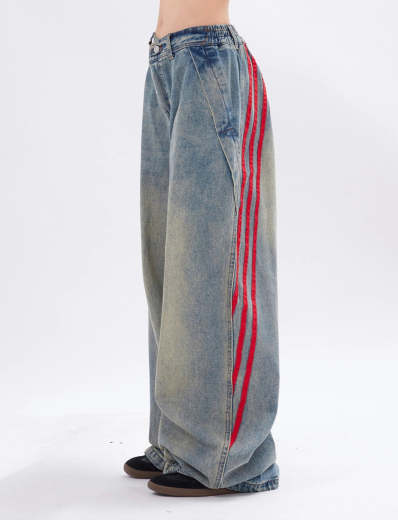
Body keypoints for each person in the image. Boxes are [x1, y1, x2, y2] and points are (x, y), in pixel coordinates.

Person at [124, 0, 279, 496]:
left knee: (214, 262)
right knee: (169, 264)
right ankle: (179, 442)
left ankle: (229, 459)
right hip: (165, 61)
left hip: (209, 57)